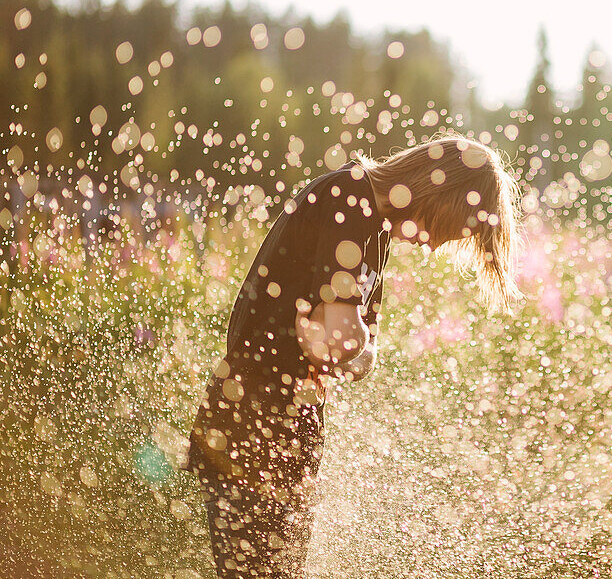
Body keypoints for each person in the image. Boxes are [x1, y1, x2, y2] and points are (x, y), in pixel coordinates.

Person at [185, 135, 523, 578]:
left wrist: (351, 345)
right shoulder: (348, 201)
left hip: (288, 434)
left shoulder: (375, 230)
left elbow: (358, 355)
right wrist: (349, 343)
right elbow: (347, 342)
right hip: (252, 428)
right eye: (449, 229)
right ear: (436, 193)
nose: (437, 246)